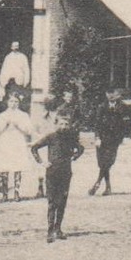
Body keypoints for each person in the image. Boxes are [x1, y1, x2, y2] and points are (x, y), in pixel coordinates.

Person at [32, 98, 85, 242]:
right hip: (52, 172)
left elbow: (81, 148)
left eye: (66, 124)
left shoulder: (70, 136)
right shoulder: (51, 137)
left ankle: (58, 228)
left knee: (62, 201)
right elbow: (34, 148)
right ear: (56, 124)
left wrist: (74, 156)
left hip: (66, 172)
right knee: (52, 202)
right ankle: (50, 231)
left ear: (69, 125)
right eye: (61, 123)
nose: (63, 126)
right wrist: (42, 162)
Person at [0, 91, 37, 200]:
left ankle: (16, 192)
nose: (13, 104)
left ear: (19, 103)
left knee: (18, 167)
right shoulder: (2, 115)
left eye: (16, 101)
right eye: (11, 101)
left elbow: (29, 130)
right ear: (7, 102)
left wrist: (19, 126)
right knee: (4, 168)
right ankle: (5, 193)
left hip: (17, 142)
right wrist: (5, 125)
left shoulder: (23, 115)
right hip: (5, 142)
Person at [88, 91, 130, 197]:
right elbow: (97, 123)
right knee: (102, 163)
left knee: (108, 161)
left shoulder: (123, 107)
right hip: (102, 139)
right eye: (108, 93)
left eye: (113, 93)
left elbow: (126, 123)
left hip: (114, 140)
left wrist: (122, 137)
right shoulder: (102, 107)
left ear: (117, 94)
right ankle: (107, 186)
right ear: (106, 94)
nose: (111, 95)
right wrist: (97, 137)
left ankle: (97, 184)